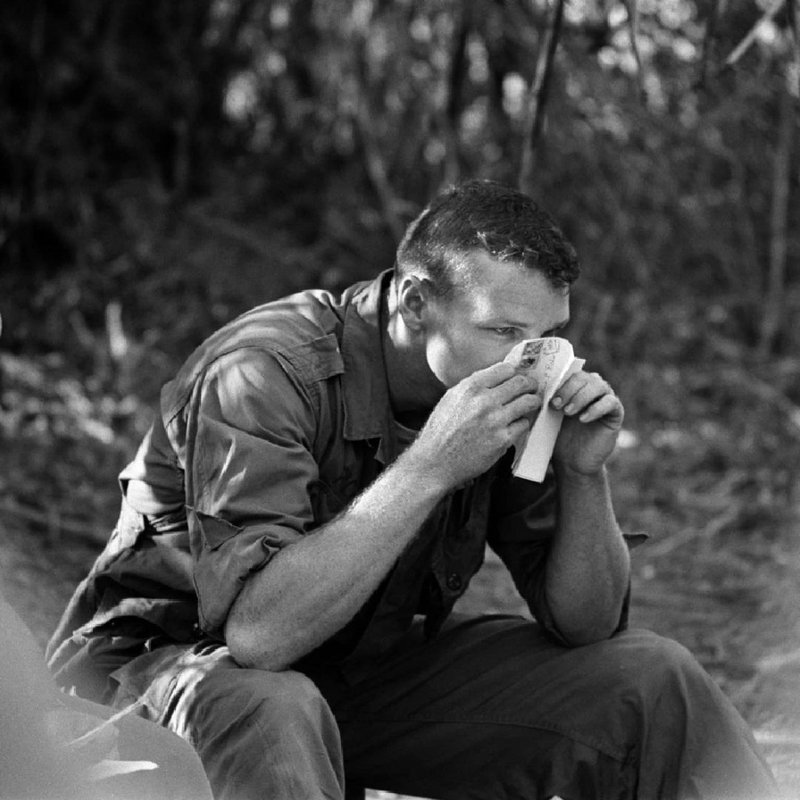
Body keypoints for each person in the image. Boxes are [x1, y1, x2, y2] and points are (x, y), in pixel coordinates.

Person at [47, 180, 779, 799]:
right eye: (504, 332)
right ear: (415, 303)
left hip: (359, 675)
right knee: (275, 707)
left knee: (653, 678)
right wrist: (431, 465)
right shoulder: (266, 370)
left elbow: (585, 626)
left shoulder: (501, 382)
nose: (535, 361)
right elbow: (259, 637)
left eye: (551, 337)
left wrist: (586, 473)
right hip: (166, 681)